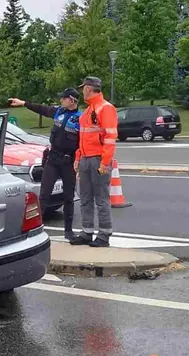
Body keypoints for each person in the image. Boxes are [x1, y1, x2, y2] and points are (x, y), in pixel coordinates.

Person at [8, 88, 81, 240]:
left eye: (64, 98)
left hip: (68, 161)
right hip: (53, 159)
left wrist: (79, 162)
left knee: (68, 197)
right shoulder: (58, 112)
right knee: (44, 196)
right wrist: (23, 103)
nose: (61, 100)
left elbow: (85, 141)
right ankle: (36, 228)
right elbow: (41, 109)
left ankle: (69, 231)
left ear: (72, 100)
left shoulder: (80, 118)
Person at [70, 76, 118, 247]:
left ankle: (104, 234)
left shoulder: (105, 108)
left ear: (89, 89)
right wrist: (78, 157)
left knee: (101, 198)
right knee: (85, 197)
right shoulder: (88, 111)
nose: (82, 91)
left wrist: (105, 162)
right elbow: (82, 138)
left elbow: (111, 137)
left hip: (98, 159)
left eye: (84, 88)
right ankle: (87, 232)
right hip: (85, 159)